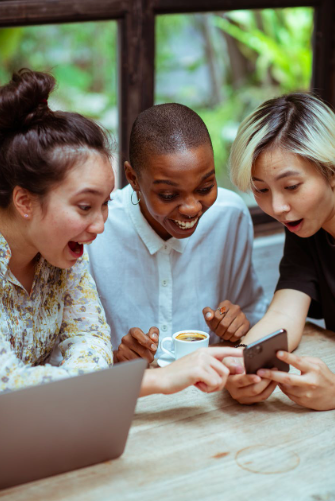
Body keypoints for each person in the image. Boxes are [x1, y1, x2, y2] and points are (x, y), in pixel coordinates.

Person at [0, 68, 244, 396]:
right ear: (24, 201)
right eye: (85, 206)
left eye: (104, 204)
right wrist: (156, 380)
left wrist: (87, 386)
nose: (101, 225)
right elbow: (7, 382)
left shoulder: (61, 255)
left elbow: (91, 341)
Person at [87, 103, 267, 363]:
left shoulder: (229, 215)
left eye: (205, 187)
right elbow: (66, 348)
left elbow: (253, 310)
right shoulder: (97, 232)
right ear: (133, 178)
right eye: (169, 195)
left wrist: (238, 325)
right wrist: (114, 359)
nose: (192, 208)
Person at [226, 92, 335, 411]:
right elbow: (283, 315)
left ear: (331, 170)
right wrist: (241, 365)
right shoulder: (306, 226)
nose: (278, 207)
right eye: (261, 190)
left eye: (291, 187)